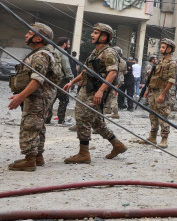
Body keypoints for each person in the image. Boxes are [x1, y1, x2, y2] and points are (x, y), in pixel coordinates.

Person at [62, 23, 127, 164]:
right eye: (93, 32)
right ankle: (117, 145)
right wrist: (72, 82)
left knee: (82, 117)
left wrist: (101, 91)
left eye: (96, 33)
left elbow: (113, 72)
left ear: (104, 37)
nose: (92, 35)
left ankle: (83, 153)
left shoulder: (108, 52)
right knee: (97, 122)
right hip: (88, 89)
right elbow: (86, 70)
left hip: (96, 90)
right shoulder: (96, 51)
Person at [7, 23, 58, 171]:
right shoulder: (41, 53)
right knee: (39, 125)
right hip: (41, 96)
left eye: (30, 33)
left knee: (30, 125)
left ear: (39, 38)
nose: (26, 35)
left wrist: (20, 97)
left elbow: (37, 79)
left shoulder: (41, 55)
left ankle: (29, 160)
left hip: (38, 96)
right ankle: (38, 157)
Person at [140, 38, 177, 149]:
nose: (161, 49)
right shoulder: (160, 62)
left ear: (169, 49)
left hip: (163, 92)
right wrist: (148, 90)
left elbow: (171, 80)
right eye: (161, 47)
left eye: (163, 47)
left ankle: (164, 139)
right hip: (154, 91)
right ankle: (152, 137)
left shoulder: (172, 63)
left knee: (163, 115)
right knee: (152, 115)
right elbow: (153, 77)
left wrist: (163, 94)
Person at [47, 36, 74, 125]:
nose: (69, 46)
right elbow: (66, 67)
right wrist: (71, 79)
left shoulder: (53, 51)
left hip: (52, 79)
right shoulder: (63, 52)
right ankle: (61, 120)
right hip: (62, 80)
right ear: (64, 44)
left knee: (51, 98)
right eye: (69, 44)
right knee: (64, 99)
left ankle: (47, 119)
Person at [104, 46, 126, 119]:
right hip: (120, 78)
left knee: (112, 95)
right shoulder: (123, 61)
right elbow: (125, 71)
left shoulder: (114, 60)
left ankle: (115, 112)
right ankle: (108, 110)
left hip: (113, 78)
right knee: (111, 94)